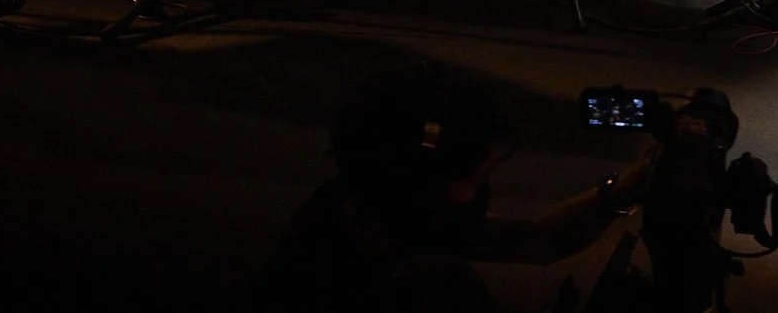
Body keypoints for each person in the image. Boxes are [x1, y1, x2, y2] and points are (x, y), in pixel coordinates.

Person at [261, 62, 653, 308]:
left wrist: (620, 193)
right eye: (477, 178)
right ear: (421, 184)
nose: (482, 192)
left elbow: (535, 239)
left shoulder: (349, 210)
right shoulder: (434, 291)